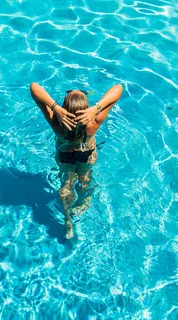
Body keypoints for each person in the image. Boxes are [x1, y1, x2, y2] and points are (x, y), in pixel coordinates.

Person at [30, 82, 123, 239]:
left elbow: (34, 87)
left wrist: (55, 108)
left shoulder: (57, 125)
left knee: (66, 184)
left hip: (65, 156)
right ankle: (84, 202)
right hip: (87, 154)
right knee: (85, 177)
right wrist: (97, 107)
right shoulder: (93, 124)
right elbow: (118, 88)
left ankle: (67, 221)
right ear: (87, 109)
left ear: (64, 108)